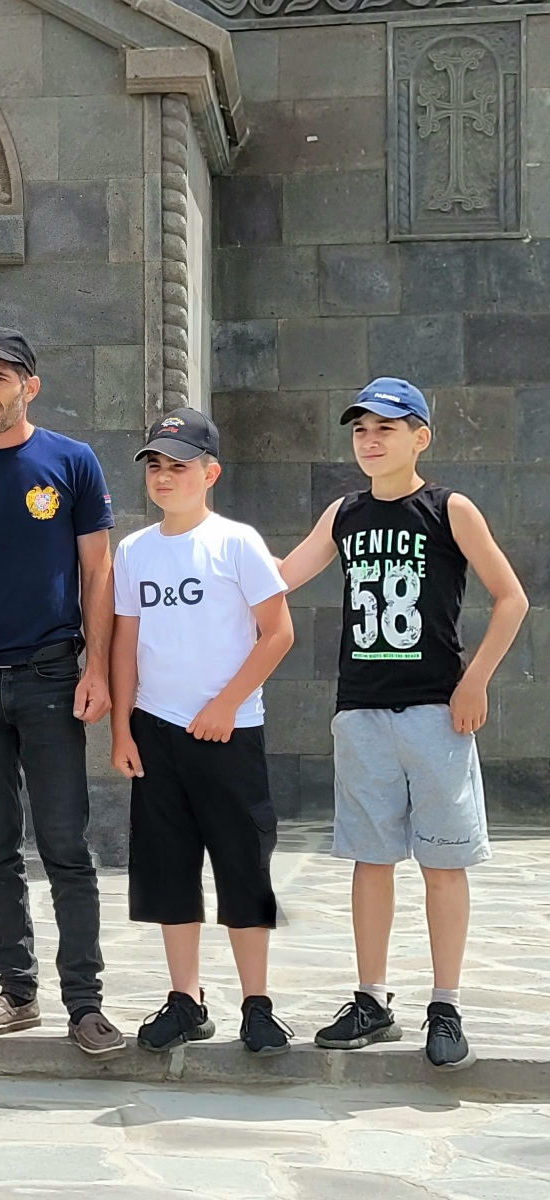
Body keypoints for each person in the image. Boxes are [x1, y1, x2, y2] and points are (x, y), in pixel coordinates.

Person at [278, 378, 527, 1071]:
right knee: (371, 859)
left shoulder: (450, 509)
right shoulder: (344, 514)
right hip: (360, 711)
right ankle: (372, 999)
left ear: (421, 437)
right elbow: (282, 576)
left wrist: (474, 680)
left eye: (385, 428)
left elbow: (511, 598)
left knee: (443, 863)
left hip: (435, 713)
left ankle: (445, 1004)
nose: (369, 440)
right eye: (360, 429)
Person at [0, 328, 125, 1056]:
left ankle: (85, 1004)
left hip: (50, 675)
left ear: (29, 386)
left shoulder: (71, 462)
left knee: (66, 845)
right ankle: (16, 991)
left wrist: (97, 669)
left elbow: (98, 572)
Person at [107, 410, 297, 1055]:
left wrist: (225, 704)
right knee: (169, 868)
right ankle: (185, 999)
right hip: (156, 731)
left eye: (179, 466)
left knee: (243, 866)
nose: (165, 477)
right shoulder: (134, 551)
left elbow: (278, 633)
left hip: (229, 733)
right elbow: (126, 644)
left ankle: (257, 1003)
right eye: (156, 466)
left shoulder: (237, 543)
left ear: (210, 474)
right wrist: (121, 728)